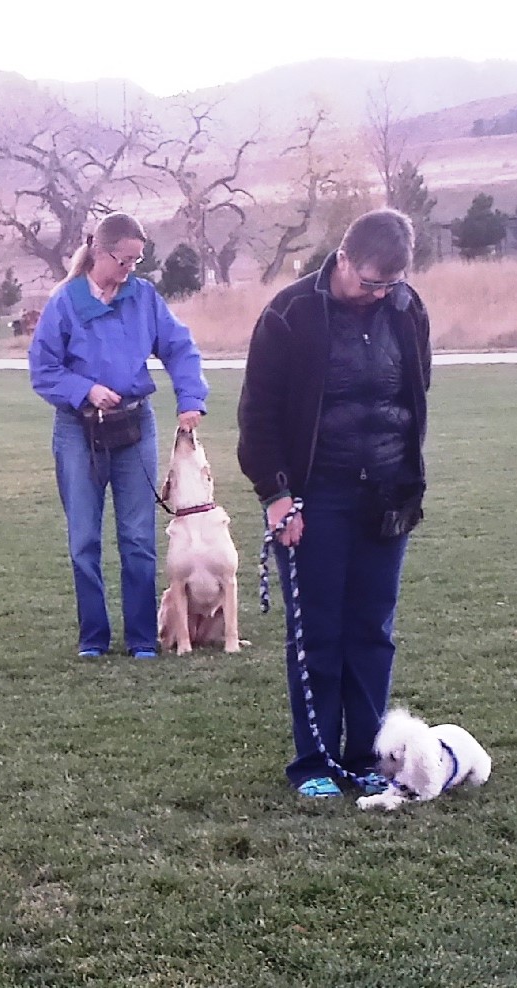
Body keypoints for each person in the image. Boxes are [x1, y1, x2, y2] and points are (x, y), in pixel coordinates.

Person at [236, 208, 430, 800]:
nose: (376, 295)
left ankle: (366, 756)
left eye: (388, 285)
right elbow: (258, 416)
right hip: (316, 497)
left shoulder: (407, 308)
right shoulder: (291, 314)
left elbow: (414, 393)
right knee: (317, 632)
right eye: (368, 282)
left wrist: (406, 477)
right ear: (343, 258)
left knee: (372, 629)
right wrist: (277, 495)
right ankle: (314, 763)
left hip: (387, 495)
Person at [29, 213, 209, 660]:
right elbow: (43, 369)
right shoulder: (65, 303)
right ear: (98, 251)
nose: (131, 269)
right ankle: (94, 639)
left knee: (138, 537)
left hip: (134, 427)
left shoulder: (143, 297)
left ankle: (143, 639)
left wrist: (191, 398)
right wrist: (85, 390)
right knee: (84, 539)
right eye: (124, 260)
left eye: (137, 260)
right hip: (79, 431)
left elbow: (179, 347)